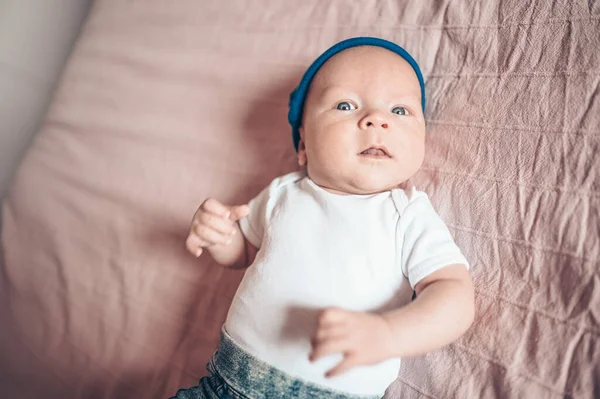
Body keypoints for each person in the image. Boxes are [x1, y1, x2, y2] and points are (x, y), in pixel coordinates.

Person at [175, 37, 475, 399]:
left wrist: (386, 333)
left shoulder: (407, 214)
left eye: (399, 111)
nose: (376, 120)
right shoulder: (282, 194)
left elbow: (454, 294)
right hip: (225, 383)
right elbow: (243, 254)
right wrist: (220, 235)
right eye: (345, 105)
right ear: (303, 144)